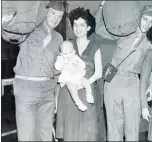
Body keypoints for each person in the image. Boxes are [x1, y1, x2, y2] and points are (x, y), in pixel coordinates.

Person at [95, 2, 152, 141]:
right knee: (113, 125)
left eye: (150, 21)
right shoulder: (125, 31)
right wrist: (101, 7)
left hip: (132, 83)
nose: (147, 24)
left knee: (132, 126)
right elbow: (100, 29)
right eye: (145, 19)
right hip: (113, 80)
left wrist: (151, 86)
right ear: (138, 17)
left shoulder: (150, 42)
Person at [12, 1, 64, 141]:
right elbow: (10, 33)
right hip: (26, 88)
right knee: (27, 136)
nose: (55, 19)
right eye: (53, 13)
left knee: (45, 136)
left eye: (59, 16)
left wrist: (56, 97)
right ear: (46, 11)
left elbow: (57, 72)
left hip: (48, 91)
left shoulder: (59, 38)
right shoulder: (29, 29)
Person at [55, 7, 106, 141]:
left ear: (88, 27)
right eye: (75, 25)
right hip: (69, 93)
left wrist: (83, 84)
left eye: (82, 25)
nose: (78, 28)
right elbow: (59, 67)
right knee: (71, 133)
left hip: (87, 90)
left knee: (87, 132)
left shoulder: (95, 46)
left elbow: (99, 73)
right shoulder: (67, 45)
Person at [54, 40, 94, 111]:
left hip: (78, 76)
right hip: (68, 78)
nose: (68, 55)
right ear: (61, 54)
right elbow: (57, 67)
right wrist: (62, 62)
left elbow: (83, 65)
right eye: (65, 53)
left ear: (74, 52)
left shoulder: (75, 57)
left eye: (70, 52)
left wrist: (78, 65)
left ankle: (89, 94)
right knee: (73, 91)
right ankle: (78, 103)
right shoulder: (60, 59)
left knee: (86, 82)